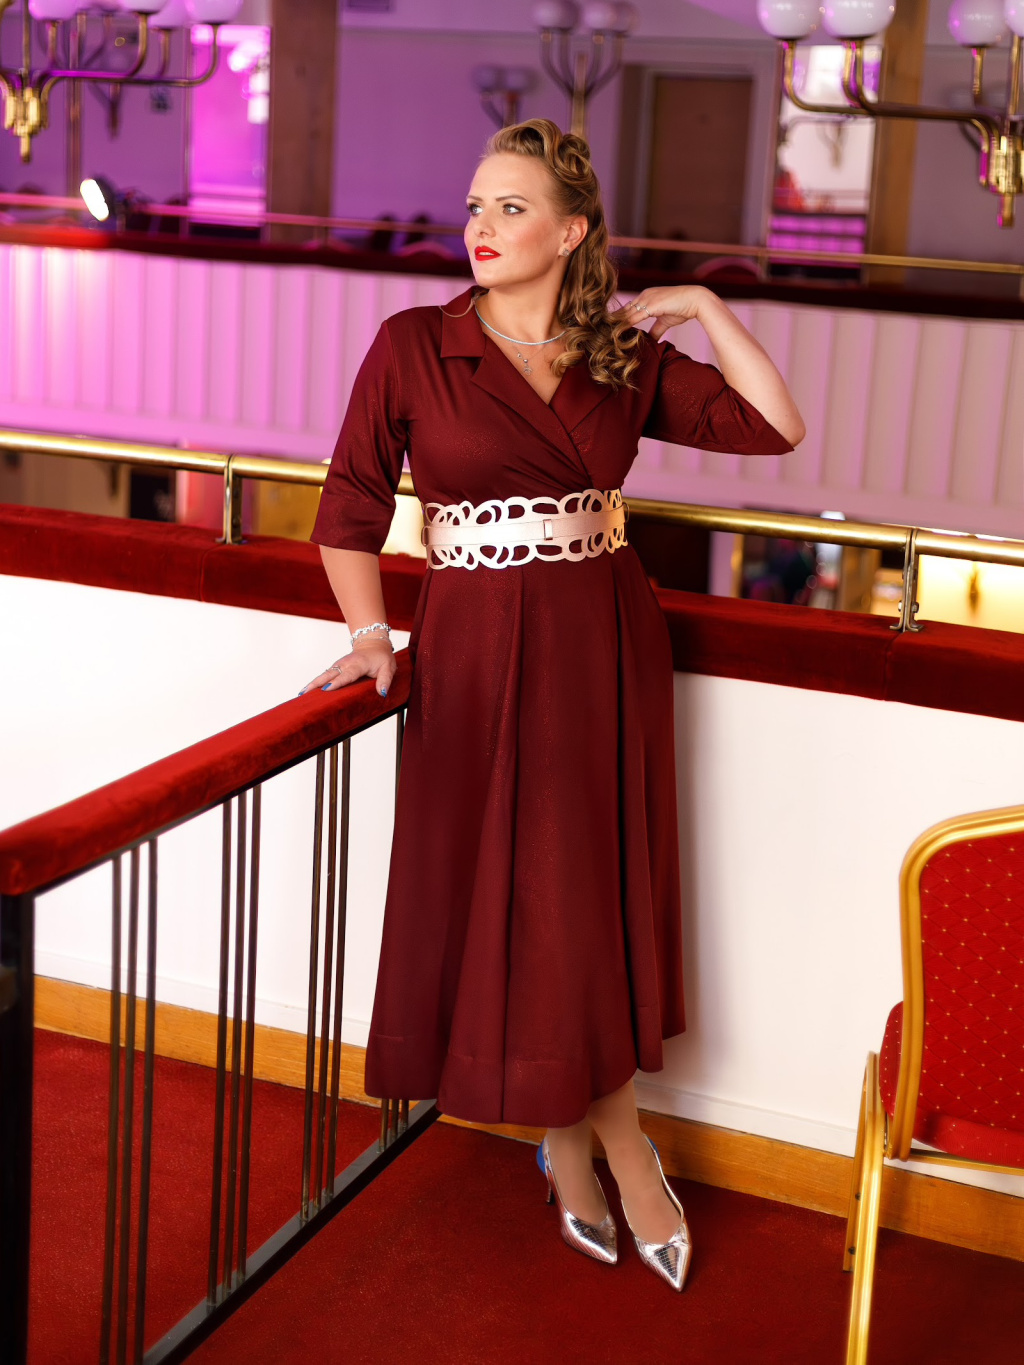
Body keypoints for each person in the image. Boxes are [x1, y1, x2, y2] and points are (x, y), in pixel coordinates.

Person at [299, 119, 805, 1292]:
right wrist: (371, 637)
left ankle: (581, 1139)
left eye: (511, 207)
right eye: (476, 205)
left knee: (579, 889)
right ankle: (609, 1144)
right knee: (516, 894)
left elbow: (773, 427)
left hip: (600, 644)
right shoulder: (414, 343)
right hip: (474, 651)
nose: (479, 226)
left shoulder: (619, 355)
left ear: (571, 233)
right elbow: (349, 504)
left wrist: (705, 306)